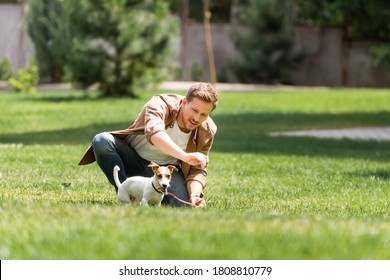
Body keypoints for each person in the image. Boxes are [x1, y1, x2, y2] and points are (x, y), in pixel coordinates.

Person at [78, 82, 219, 208]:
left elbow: (197, 170)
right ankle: (128, 197)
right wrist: (184, 156)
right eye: (194, 110)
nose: (196, 118)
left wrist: (194, 195)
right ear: (183, 102)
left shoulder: (207, 130)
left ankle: (151, 195)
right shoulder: (160, 103)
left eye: (203, 115)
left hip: (163, 172)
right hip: (132, 158)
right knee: (101, 141)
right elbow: (155, 134)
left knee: (183, 206)